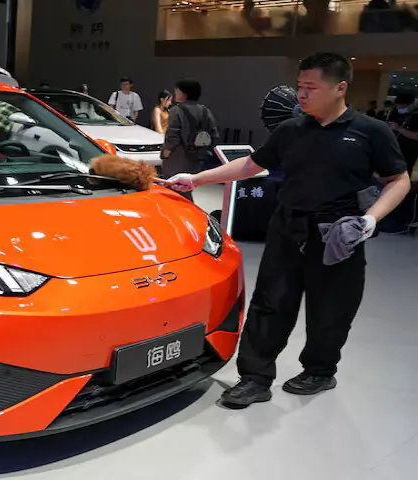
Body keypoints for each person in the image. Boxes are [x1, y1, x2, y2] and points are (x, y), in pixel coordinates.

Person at [167, 53, 411, 408]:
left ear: (340, 88)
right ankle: (254, 378)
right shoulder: (291, 130)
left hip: (338, 235)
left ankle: (320, 371)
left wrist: (370, 219)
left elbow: (399, 180)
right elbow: (251, 164)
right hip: (287, 228)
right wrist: (195, 178)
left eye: (311, 87)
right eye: (300, 86)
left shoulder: (370, 131)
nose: (301, 94)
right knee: (270, 304)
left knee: (332, 309)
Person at [160, 79, 219, 200]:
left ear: (184, 93)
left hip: (178, 157)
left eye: (177, 91)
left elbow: (173, 135)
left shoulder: (176, 110)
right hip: (197, 158)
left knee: (172, 188)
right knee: (186, 188)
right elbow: (214, 135)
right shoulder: (205, 110)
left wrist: (166, 152)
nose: (175, 93)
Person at [385, 93, 418, 179]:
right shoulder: (394, 112)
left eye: (402, 107)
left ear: (411, 104)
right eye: (398, 107)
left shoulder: (415, 116)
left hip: (409, 150)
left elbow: (416, 136)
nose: (399, 109)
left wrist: (398, 128)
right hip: (393, 146)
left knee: (404, 171)